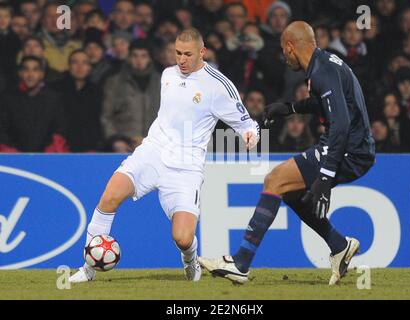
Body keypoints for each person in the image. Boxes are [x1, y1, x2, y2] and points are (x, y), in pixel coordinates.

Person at [68, 28, 259, 283]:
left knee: (182, 238)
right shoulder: (168, 75)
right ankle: (87, 269)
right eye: (177, 53)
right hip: (152, 153)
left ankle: (190, 260)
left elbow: (247, 123)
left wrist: (250, 135)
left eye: (188, 54)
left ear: (202, 52)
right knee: (109, 197)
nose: (181, 59)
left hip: (186, 167)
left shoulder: (218, 86)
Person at [198, 21, 375, 286]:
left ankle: (241, 263)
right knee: (291, 192)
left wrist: (325, 177)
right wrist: (290, 108)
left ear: (291, 47)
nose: (284, 57)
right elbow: (327, 104)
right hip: (353, 146)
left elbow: (341, 123)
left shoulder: (322, 70)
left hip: (349, 147)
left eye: (284, 50)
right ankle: (339, 246)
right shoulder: (324, 64)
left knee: (275, 180)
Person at [0, 56, 68, 153]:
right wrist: (11, 151)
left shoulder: (54, 99)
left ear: (41, 74)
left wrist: (50, 149)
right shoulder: (7, 98)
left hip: (46, 158)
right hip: (14, 157)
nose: (30, 74)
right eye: (26, 69)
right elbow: (2, 128)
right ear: (20, 73)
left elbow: (60, 128)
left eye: (35, 70)